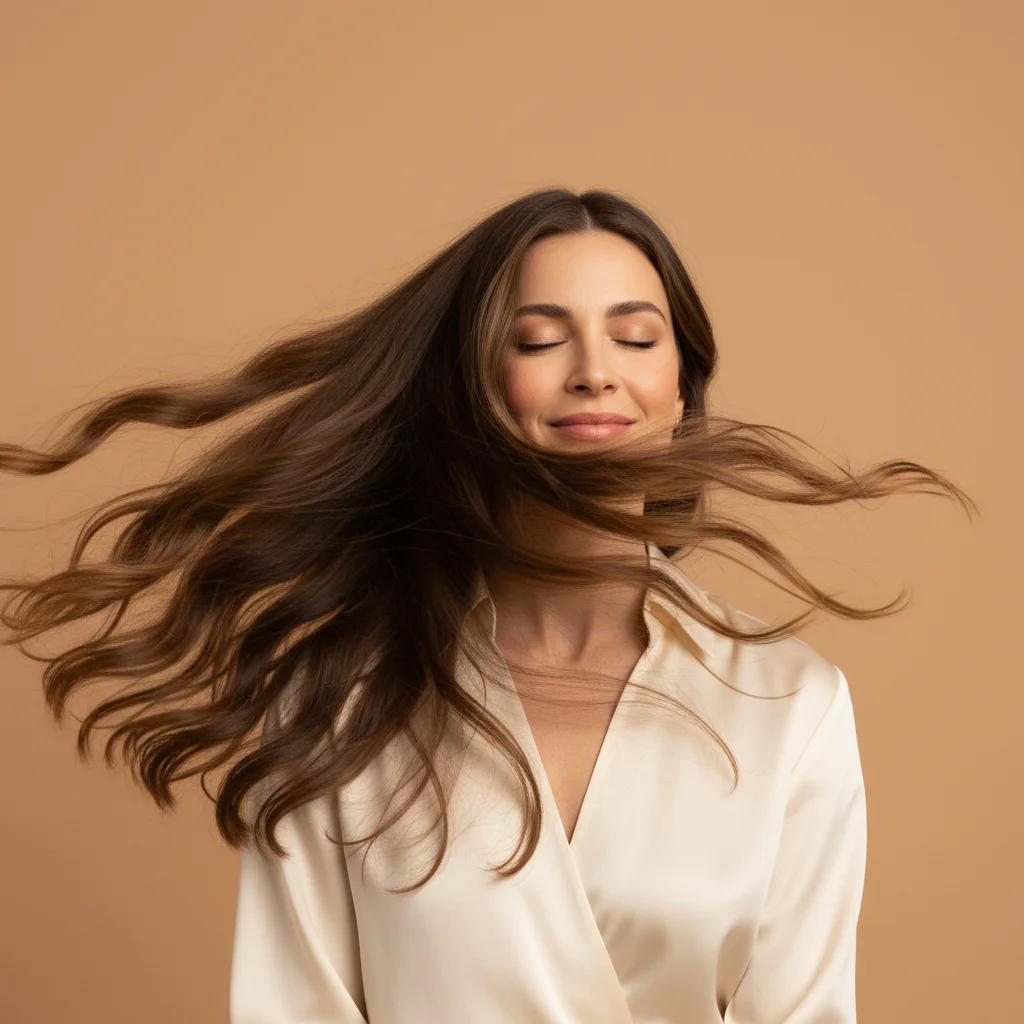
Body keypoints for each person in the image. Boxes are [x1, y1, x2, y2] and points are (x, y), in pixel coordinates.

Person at [0, 188, 974, 1022]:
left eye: (636, 335)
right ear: (471, 389)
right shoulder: (340, 700)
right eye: (539, 338)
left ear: (680, 389)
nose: (594, 368)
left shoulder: (789, 704)